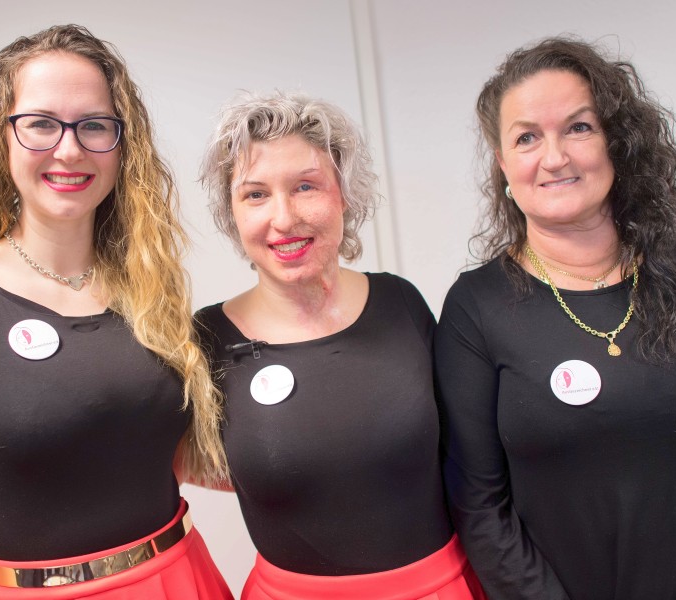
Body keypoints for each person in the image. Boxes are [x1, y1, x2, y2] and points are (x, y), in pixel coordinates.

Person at [0, 24, 232, 599]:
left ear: (122, 146)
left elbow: (179, 454)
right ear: (1, 140)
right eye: (40, 123)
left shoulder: (150, 291)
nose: (69, 149)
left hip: (181, 579)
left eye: (93, 125)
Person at [433, 36, 676, 600]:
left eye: (578, 127)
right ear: (502, 163)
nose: (554, 157)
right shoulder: (476, 308)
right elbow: (478, 504)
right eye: (526, 137)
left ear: (616, 141)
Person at [197, 91, 486, 599]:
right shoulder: (208, 338)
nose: (283, 219)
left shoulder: (400, 301)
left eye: (305, 186)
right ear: (233, 213)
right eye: (255, 194)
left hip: (440, 586)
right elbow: (166, 457)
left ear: (344, 194)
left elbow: (455, 444)